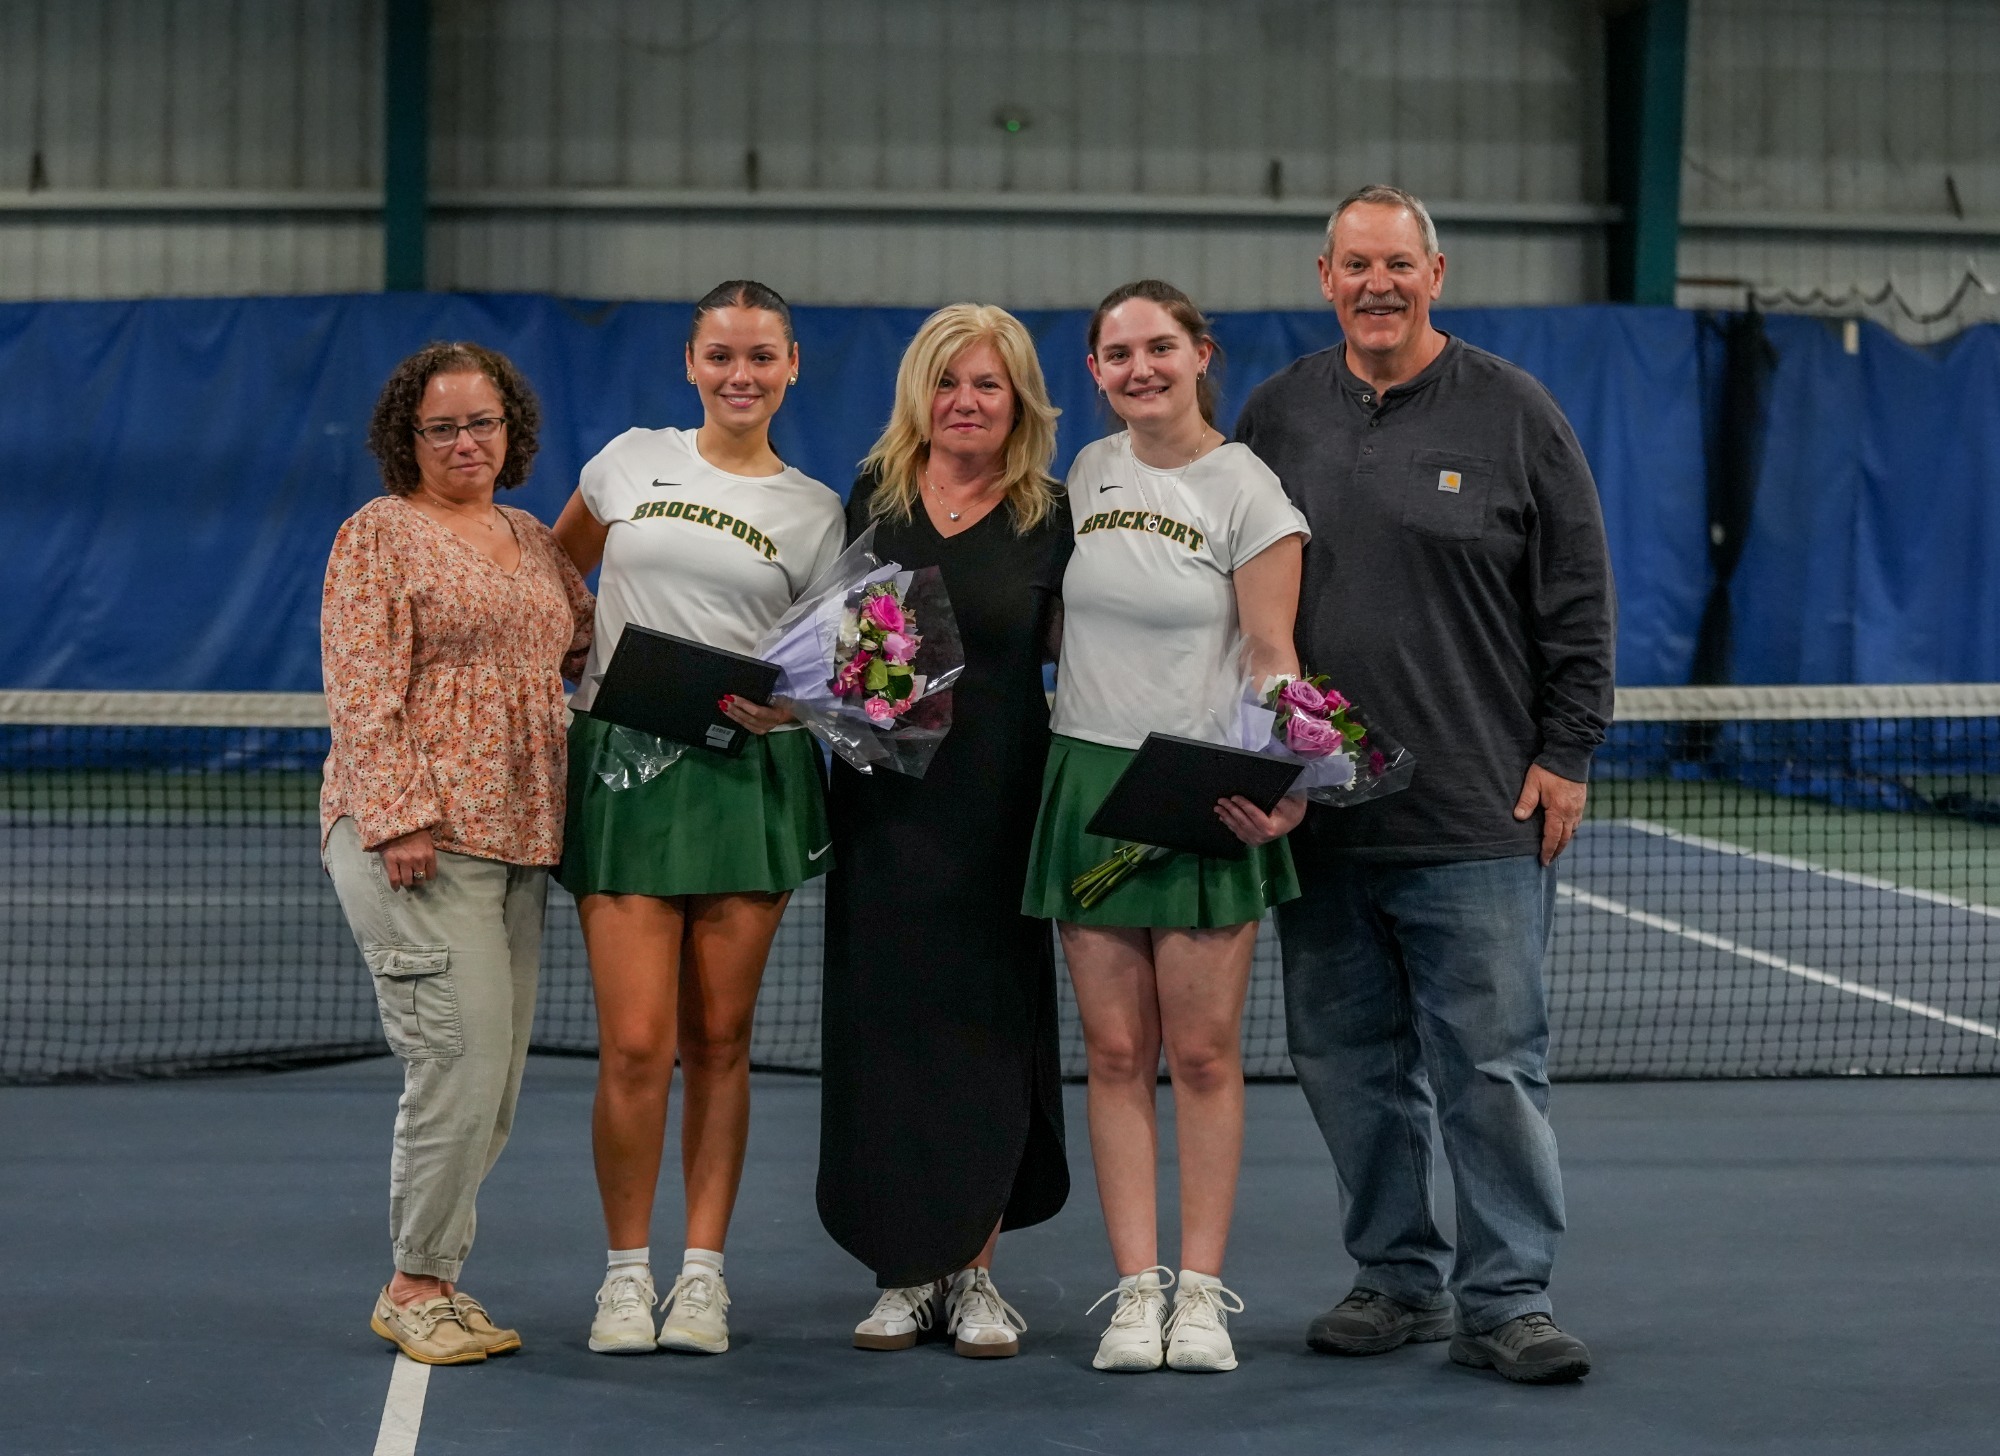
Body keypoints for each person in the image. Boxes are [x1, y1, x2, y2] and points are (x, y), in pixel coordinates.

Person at [1234, 184, 1615, 1384]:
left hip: (1475, 816)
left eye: (1397, 263)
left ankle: (1507, 1296)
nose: (1376, 284)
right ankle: (1394, 1279)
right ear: (1324, 274)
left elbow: (1575, 596)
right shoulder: (1275, 414)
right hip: (1319, 818)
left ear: (1434, 275)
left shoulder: (1514, 412)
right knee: (1346, 1066)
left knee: (1490, 1069)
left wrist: (1564, 753)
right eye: (1355, 264)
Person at [552, 280, 845, 1358]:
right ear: (690, 362)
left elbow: (828, 664)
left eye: (761, 356)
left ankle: (703, 1276)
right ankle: (626, 1274)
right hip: (624, 774)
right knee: (635, 1044)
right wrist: (575, 645)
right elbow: (554, 568)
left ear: (791, 365)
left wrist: (796, 700)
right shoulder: (630, 459)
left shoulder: (816, 512)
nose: (740, 374)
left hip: (745, 781)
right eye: (721, 354)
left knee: (720, 1041)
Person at [1022, 280, 1310, 1374]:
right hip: (1085, 777)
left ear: (1198, 354)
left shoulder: (1249, 489)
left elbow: (1272, 654)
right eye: (1115, 353)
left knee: (1198, 1052)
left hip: (1200, 788)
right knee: (1110, 1051)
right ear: (1093, 371)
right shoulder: (1083, 475)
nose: (1138, 368)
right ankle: (1134, 1291)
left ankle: (1200, 1294)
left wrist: (1284, 782)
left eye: (1158, 347)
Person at [322, 341, 594, 1366]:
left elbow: (586, 643)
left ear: (511, 431)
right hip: (421, 845)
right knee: (456, 1062)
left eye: (483, 422)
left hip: (520, 843)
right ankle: (415, 1285)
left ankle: (437, 1276)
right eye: (442, 426)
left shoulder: (529, 539)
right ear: (409, 437)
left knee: (496, 1076)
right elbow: (361, 685)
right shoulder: (379, 534)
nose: (466, 440)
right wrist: (396, 817)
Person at [818, 304, 1071, 1359]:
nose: (965, 401)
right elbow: (839, 653)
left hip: (1002, 819)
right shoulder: (871, 502)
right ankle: (900, 1272)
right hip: (883, 819)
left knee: (985, 1037)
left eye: (988, 384)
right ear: (918, 395)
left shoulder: (1052, 515)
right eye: (947, 382)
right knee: (885, 1034)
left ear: (1018, 401)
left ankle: (971, 1271)